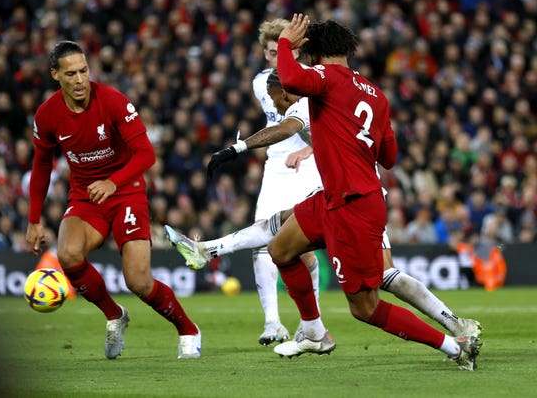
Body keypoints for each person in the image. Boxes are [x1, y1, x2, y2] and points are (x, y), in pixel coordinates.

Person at [165, 69, 481, 341]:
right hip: (340, 192)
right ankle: (208, 252)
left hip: (356, 198)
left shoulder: (308, 101)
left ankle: (455, 329)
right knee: (279, 228)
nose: (273, 105)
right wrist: (309, 152)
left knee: (383, 279)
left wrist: (239, 147)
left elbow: (286, 128)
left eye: (275, 98)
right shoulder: (334, 92)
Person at [267, 14, 481, 369]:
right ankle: (313, 332)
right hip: (336, 197)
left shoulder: (325, 77)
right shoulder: (376, 94)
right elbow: (390, 157)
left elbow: (289, 77)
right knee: (282, 249)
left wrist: (287, 42)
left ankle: (454, 347)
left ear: (315, 52)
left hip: (352, 206)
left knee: (365, 308)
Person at [25, 41, 200, 359]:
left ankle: (188, 330)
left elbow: (147, 154)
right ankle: (114, 315)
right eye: (71, 74)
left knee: (138, 281)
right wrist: (34, 219)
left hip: (126, 190)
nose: (79, 80)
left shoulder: (113, 101)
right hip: (85, 195)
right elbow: (41, 165)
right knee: (68, 255)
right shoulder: (48, 114)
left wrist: (112, 182)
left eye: (83, 71)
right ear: (55, 75)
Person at [202, 19, 322, 346]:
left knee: (302, 248)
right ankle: (273, 322)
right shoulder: (260, 84)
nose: (274, 58)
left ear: (295, 50)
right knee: (263, 239)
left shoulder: (311, 80)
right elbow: (276, 125)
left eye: (279, 51)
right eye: (269, 53)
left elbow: (321, 125)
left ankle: (312, 321)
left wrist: (307, 150)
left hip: (309, 164)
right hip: (275, 166)